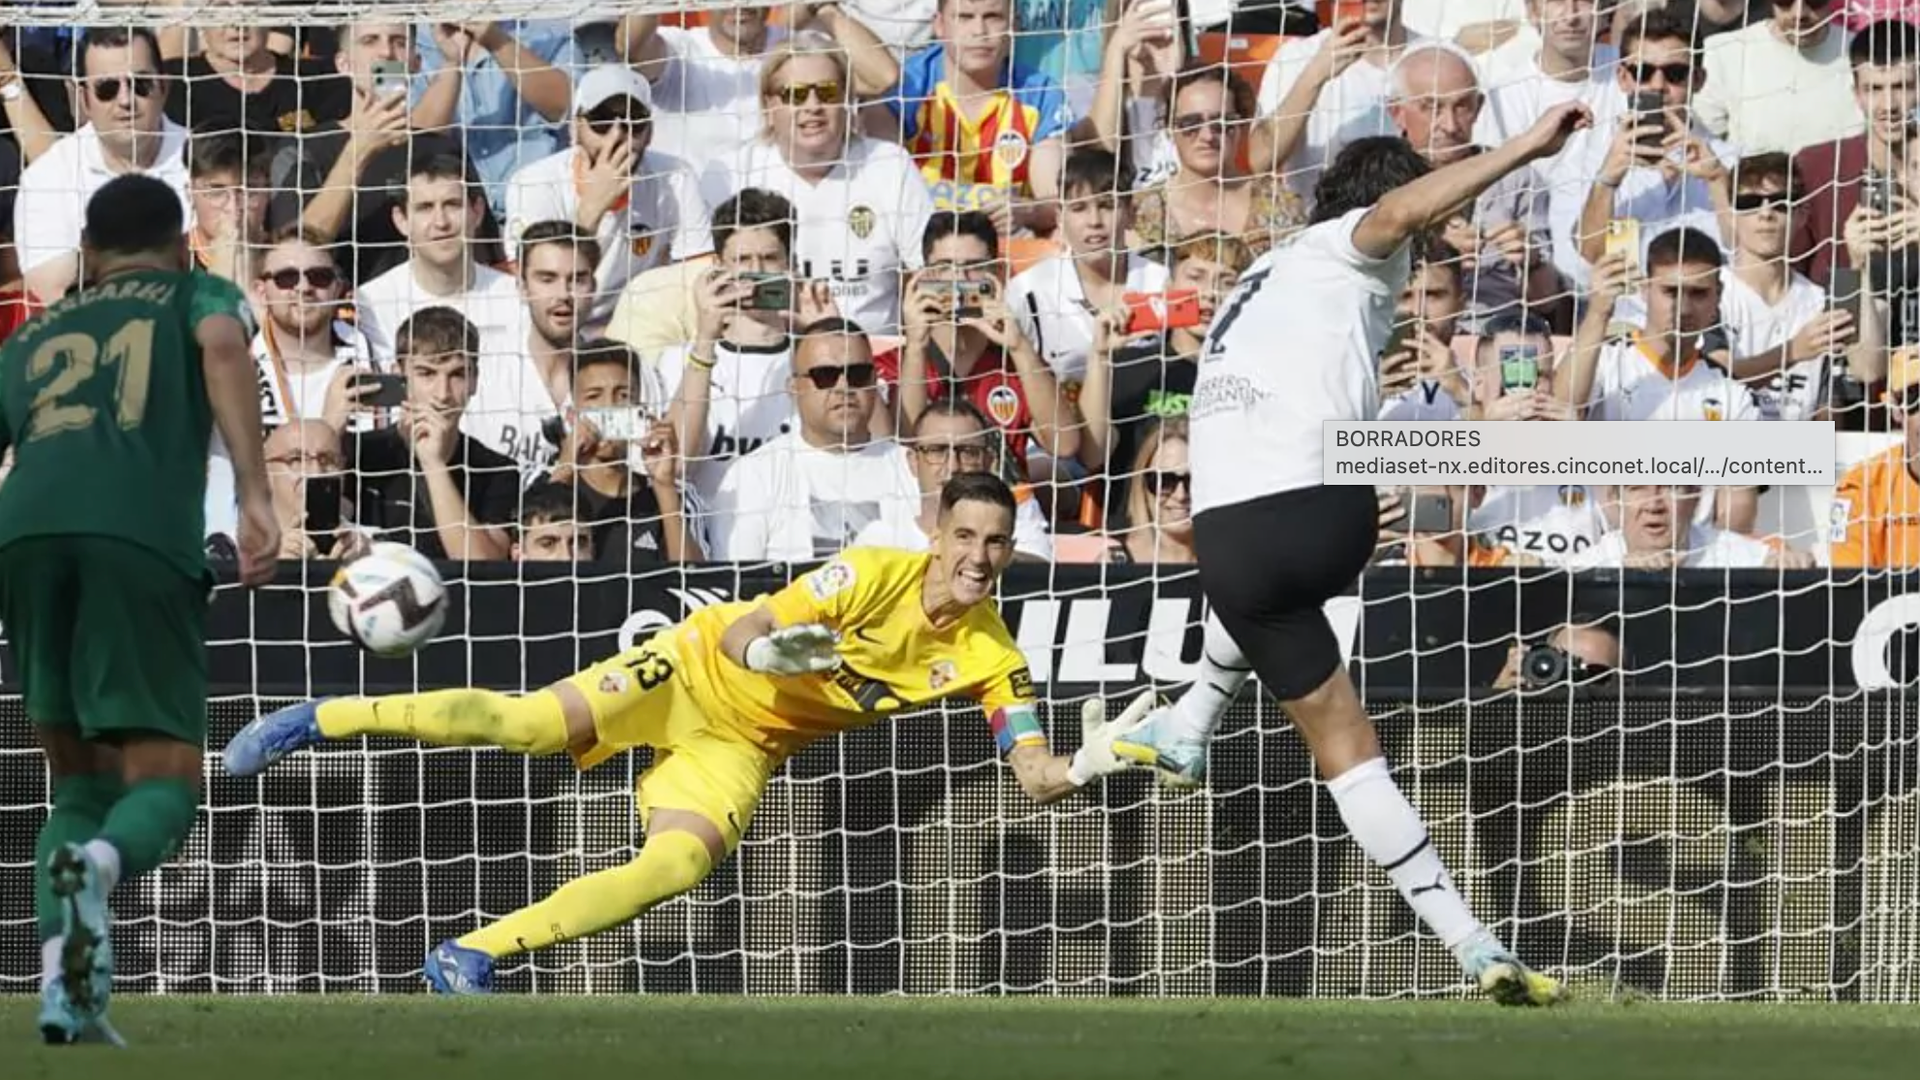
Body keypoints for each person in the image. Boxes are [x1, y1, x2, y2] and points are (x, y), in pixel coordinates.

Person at [222, 473, 1151, 992]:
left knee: (678, 868)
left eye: (996, 544)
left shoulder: (991, 654)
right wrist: (768, 655)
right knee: (529, 725)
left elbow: (1033, 775)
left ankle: (470, 955)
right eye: (965, 537)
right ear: (934, 531)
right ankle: (317, 718)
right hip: (696, 668)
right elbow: (749, 625)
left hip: (743, 747)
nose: (979, 559)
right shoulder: (873, 570)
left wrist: (1090, 761)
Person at [1113, 104, 1597, 1008]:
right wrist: (1527, 145)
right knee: (1347, 734)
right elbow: (1398, 217)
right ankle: (1474, 943)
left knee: (1334, 731)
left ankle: (1192, 722)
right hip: (1324, 514)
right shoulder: (1352, 240)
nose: (1421, 254)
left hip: (1230, 543)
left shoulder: (1263, 275)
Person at [0, 174, 278, 1044]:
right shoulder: (196, 290)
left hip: (25, 539)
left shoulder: (34, 330)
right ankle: (108, 866)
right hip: (135, 537)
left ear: (88, 252)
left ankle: (66, 990)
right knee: (164, 780)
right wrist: (257, 495)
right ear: (181, 236)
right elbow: (224, 344)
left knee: (78, 780)